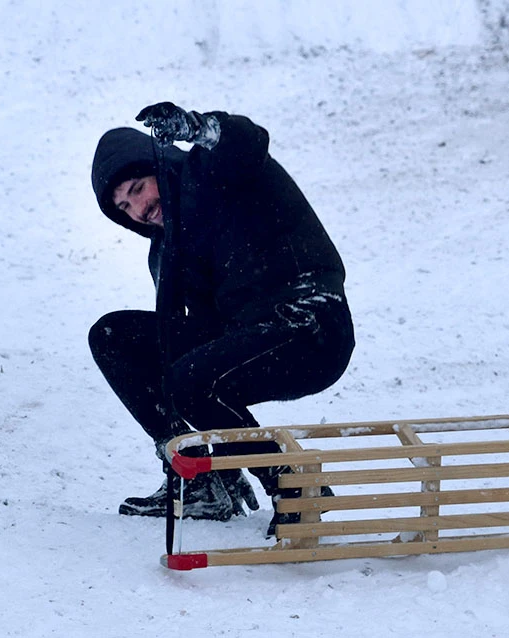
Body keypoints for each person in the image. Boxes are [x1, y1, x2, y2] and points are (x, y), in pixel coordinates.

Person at [88, 103, 354, 535]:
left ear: (159, 164)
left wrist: (195, 128)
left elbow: (247, 142)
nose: (136, 208)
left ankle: (293, 483)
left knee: (188, 379)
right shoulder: (167, 251)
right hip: (246, 333)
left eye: (137, 188)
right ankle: (202, 475)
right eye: (123, 207)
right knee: (114, 336)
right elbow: (171, 345)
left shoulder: (211, 172)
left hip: (310, 323)